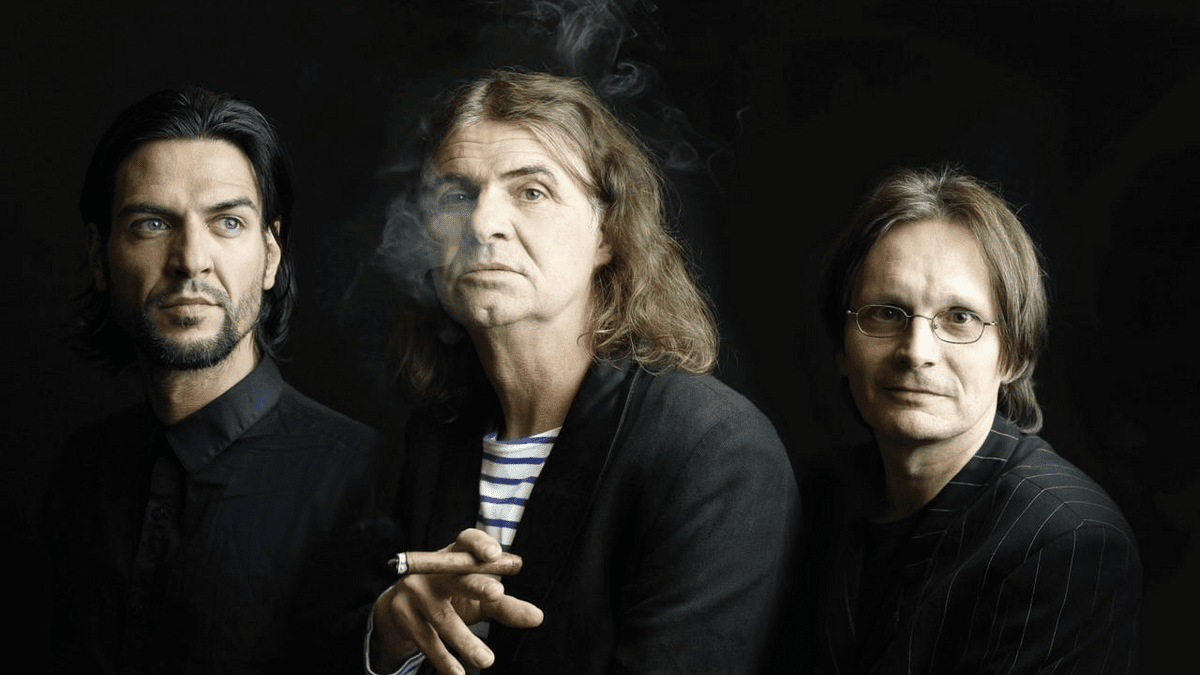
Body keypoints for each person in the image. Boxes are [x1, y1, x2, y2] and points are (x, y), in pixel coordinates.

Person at [365, 69, 798, 675]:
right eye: (456, 195)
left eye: (531, 192)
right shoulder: (430, 439)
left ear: (607, 234)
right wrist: (387, 640)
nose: (483, 223)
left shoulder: (714, 450)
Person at [43, 87, 383, 674]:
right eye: (151, 223)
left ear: (270, 256)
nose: (191, 259)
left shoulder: (364, 477)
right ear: (99, 257)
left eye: (227, 222)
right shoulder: (81, 469)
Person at [804, 165, 1142, 673]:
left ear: (1013, 356)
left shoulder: (1069, 541)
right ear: (842, 347)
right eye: (887, 312)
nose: (916, 352)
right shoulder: (815, 497)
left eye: (959, 318)